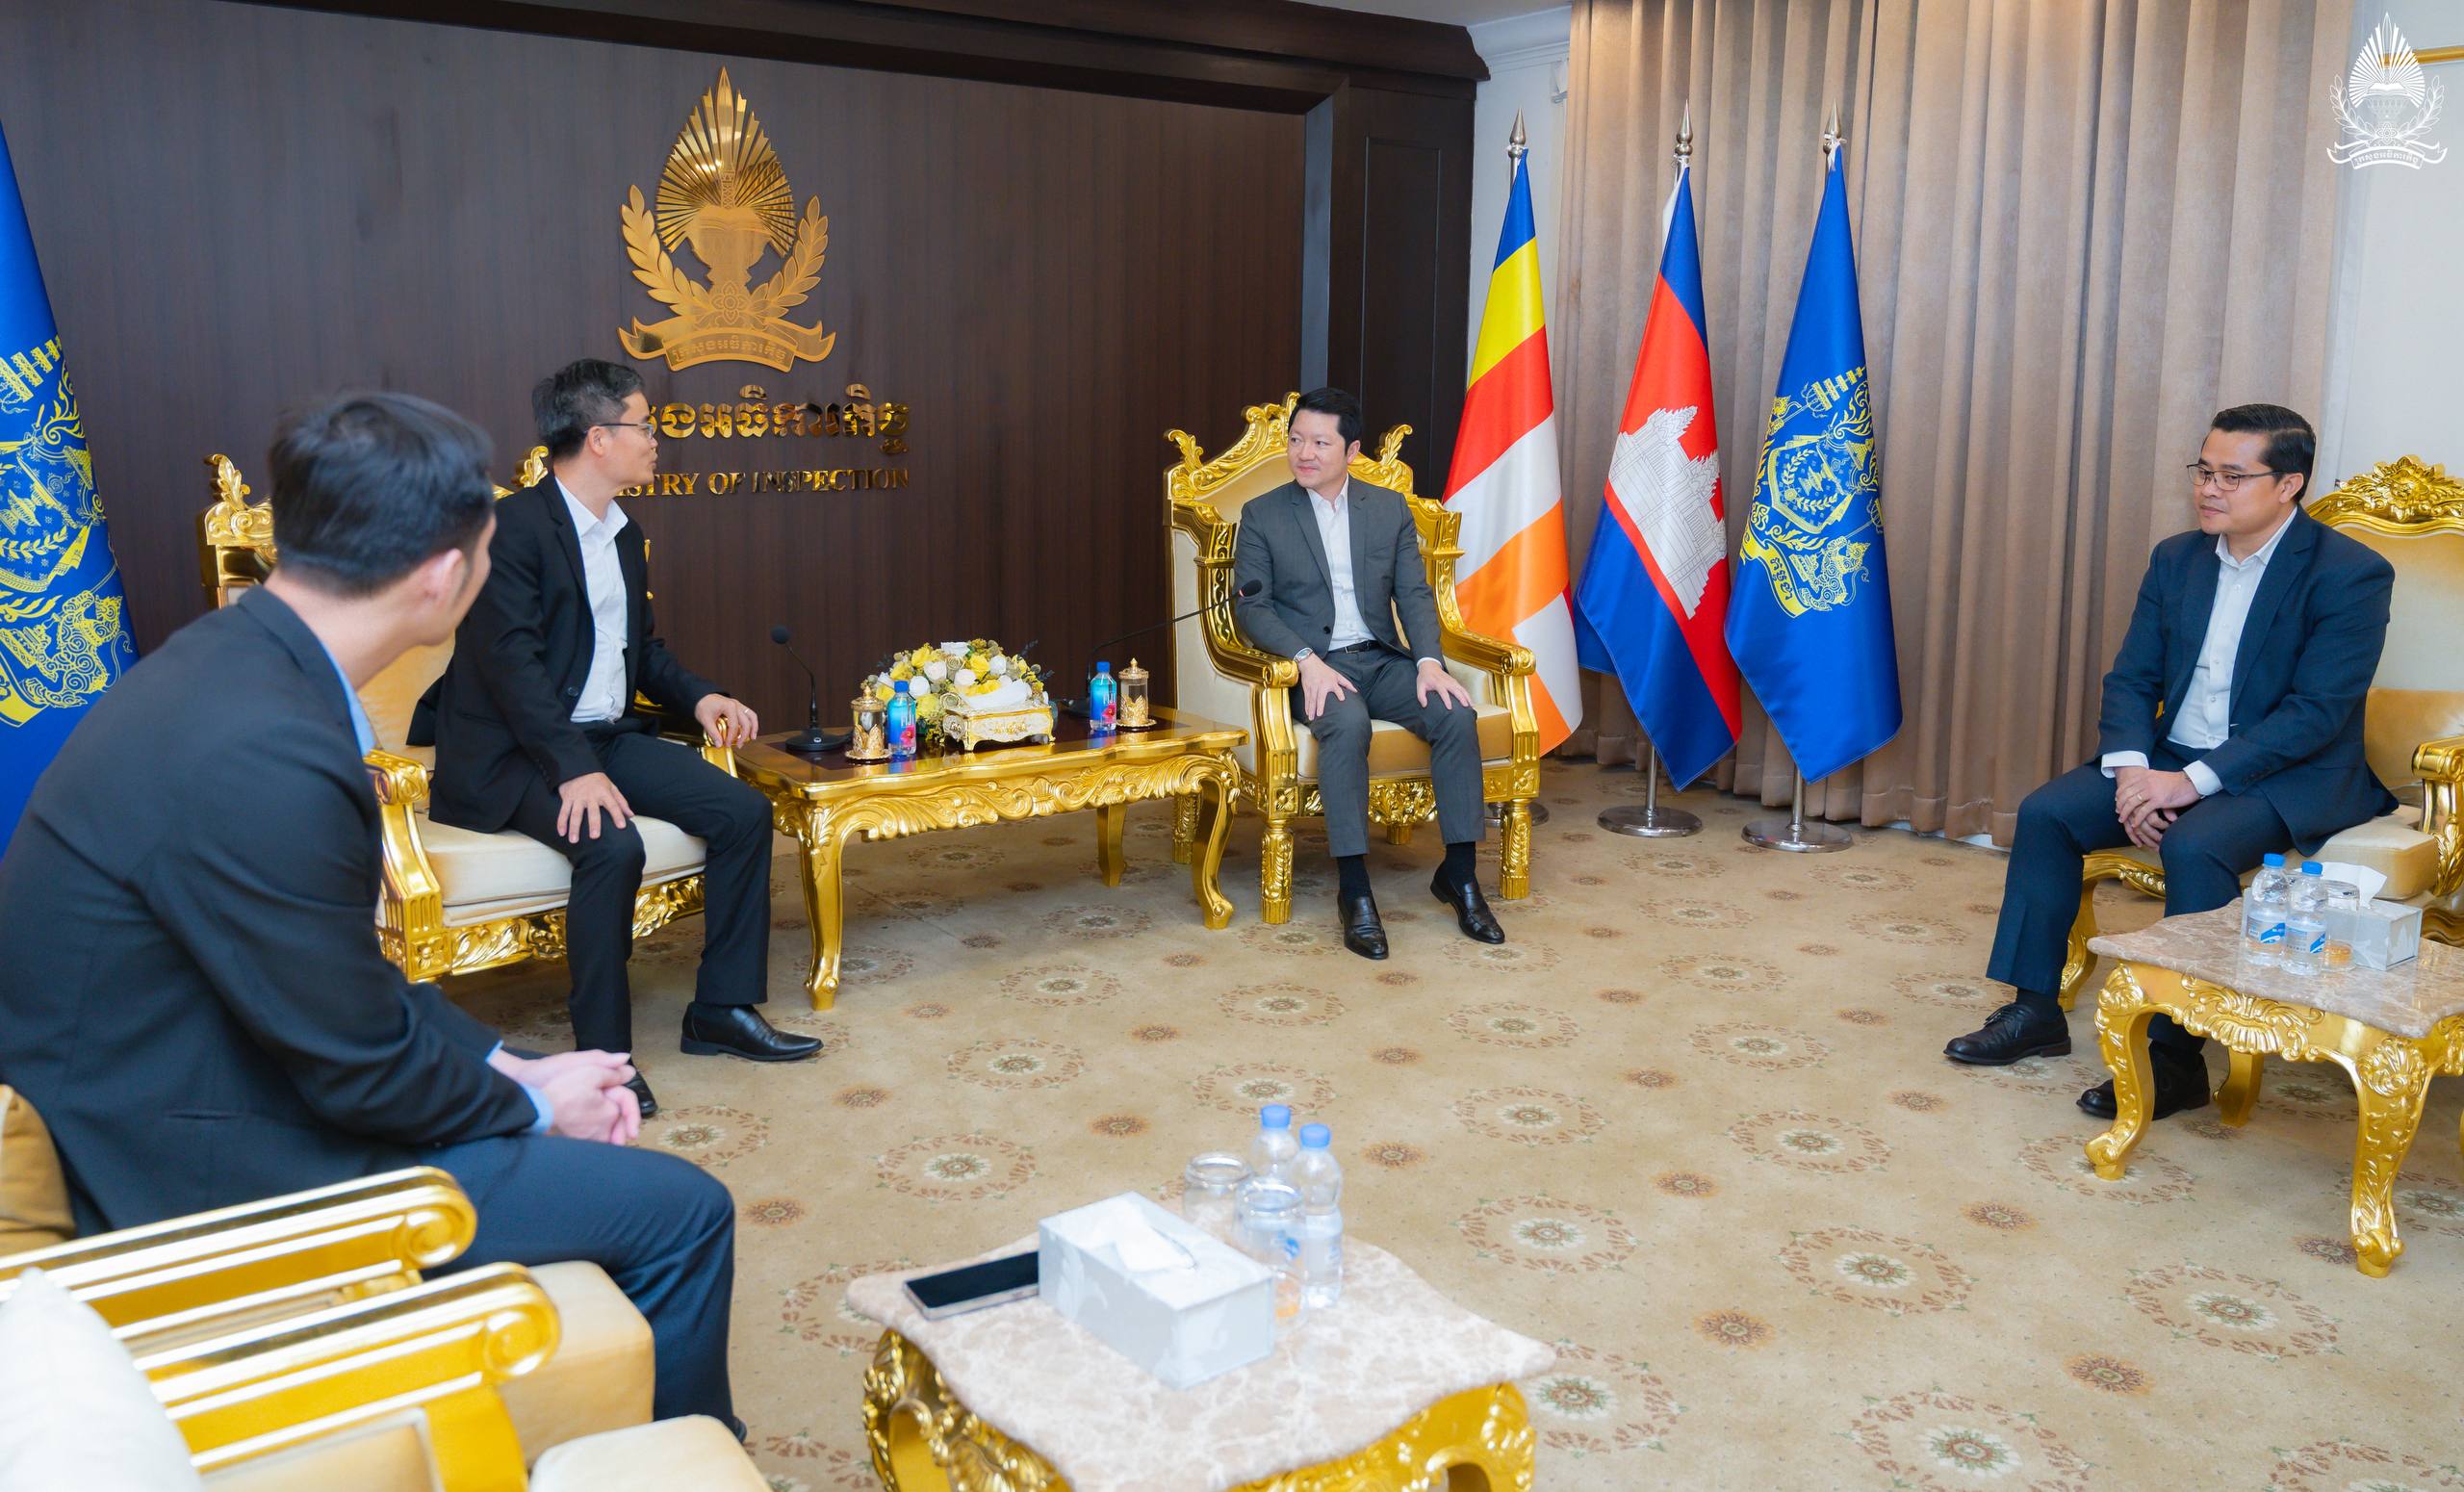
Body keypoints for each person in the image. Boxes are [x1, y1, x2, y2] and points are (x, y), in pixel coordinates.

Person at [0, 392, 740, 1428]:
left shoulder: (234, 664)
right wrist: (538, 1107)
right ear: (444, 576)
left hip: (194, 1070)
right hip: (184, 1166)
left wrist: (516, 1063)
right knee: (686, 1210)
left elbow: (338, 979)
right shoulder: (267, 749)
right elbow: (356, 1061)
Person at [1945, 404, 2395, 1119]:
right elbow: (2133, 678)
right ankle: (2035, 1011)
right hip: (2168, 754)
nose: (2209, 489)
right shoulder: (2177, 558)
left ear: (2288, 485)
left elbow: (2316, 713)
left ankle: (2176, 1058)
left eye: (2232, 477)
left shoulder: (2351, 574)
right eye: (2204, 471)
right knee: (2048, 813)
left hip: (2289, 773)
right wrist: (2133, 773)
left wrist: (2187, 784)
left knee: (2196, 843)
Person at [422, 359, 817, 1116]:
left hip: (601, 737)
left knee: (743, 812)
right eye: (645, 424)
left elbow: (642, 651)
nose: (656, 439)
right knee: (611, 844)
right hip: (511, 753)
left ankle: (721, 1010)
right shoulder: (509, 531)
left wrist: (700, 696)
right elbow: (511, 669)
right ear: (598, 438)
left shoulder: (624, 534)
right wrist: (572, 770)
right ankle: (606, 1055)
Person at [1232, 386, 1502, 960]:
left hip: (1380, 658)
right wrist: (1304, 661)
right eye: (1296, 440)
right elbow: (1252, 608)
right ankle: (1354, 889)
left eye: (1320, 443)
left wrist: (1428, 662)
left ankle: (1460, 875)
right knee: (1347, 723)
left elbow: (1413, 594)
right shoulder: (1262, 514)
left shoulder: (1387, 509)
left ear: (1351, 451)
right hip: (1315, 666)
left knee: (1454, 712)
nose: (1304, 453)